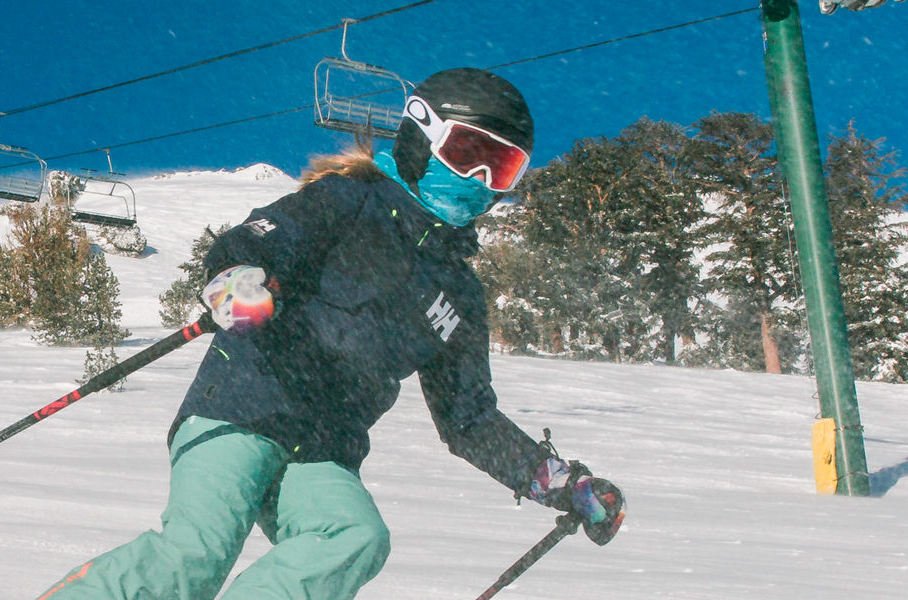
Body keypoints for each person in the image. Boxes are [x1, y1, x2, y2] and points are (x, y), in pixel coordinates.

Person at [39, 68, 625, 599]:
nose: (477, 178)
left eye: (499, 168)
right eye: (466, 152)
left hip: (323, 446)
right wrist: (235, 283)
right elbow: (256, 238)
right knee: (197, 552)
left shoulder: (461, 297)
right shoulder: (353, 199)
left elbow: (470, 419)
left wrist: (558, 483)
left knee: (355, 536)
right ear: (421, 135)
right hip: (242, 406)